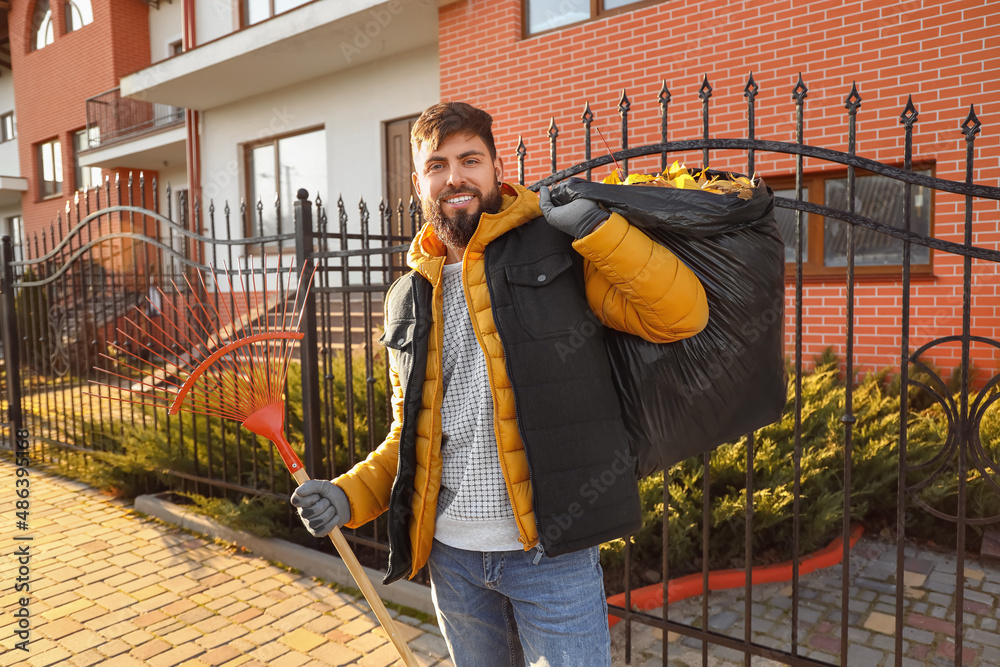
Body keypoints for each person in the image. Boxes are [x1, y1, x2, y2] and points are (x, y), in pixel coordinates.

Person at [291, 102, 709, 666]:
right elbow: (409, 439)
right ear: (419, 183)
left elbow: (680, 314)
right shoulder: (407, 298)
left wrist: (598, 229)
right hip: (452, 561)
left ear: (496, 167)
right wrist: (346, 496)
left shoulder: (561, 250)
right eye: (437, 165)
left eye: (470, 159)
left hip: (550, 558)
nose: (455, 176)